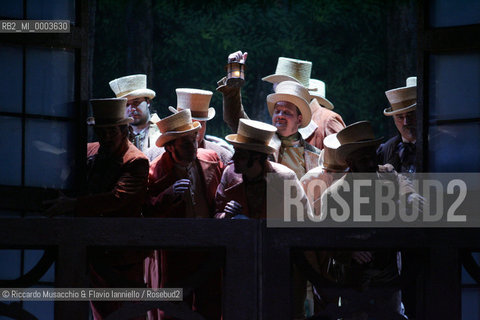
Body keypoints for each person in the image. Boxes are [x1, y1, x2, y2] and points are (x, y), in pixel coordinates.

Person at [45, 98, 150, 320]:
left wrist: (73, 204)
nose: (108, 137)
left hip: (123, 253)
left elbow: (117, 197)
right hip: (94, 250)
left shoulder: (136, 161)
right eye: (103, 132)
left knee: (130, 311)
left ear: (124, 130)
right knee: (102, 311)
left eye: (113, 131)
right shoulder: (91, 151)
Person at [320, 121, 418, 320]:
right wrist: (349, 251)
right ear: (351, 163)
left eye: (372, 156)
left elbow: (404, 185)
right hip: (355, 281)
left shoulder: (387, 175)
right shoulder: (334, 195)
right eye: (364, 160)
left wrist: (411, 196)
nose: (372, 163)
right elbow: (326, 238)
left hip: (388, 275)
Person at [145, 109, 223, 320]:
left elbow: (221, 196)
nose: (194, 147)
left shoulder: (210, 160)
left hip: (208, 247)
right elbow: (146, 210)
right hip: (175, 252)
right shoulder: (155, 172)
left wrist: (222, 214)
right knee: (173, 307)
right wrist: (167, 195)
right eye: (186, 143)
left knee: (210, 304)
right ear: (170, 147)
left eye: (194, 140)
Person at [217, 52, 321, 180]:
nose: (280, 115)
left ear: (299, 119)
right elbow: (234, 118)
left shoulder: (316, 155)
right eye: (277, 111)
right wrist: (233, 80)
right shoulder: (263, 141)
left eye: (287, 112)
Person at [215, 118, 310, 219]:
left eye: (241, 155)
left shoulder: (285, 178)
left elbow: (303, 220)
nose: (234, 158)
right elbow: (215, 215)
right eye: (235, 152)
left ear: (257, 157)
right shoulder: (229, 174)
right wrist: (226, 216)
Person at [261, 56, 346, 149]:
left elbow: (342, 157)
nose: (278, 89)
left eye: (283, 84)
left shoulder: (328, 120)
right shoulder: (281, 119)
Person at [168, 88, 233, 165]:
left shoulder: (222, 157)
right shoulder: (156, 156)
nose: (196, 131)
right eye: (190, 124)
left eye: (200, 124)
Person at [109, 74, 161, 157]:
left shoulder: (162, 132)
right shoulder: (116, 137)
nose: (131, 108)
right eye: (126, 105)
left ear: (148, 102)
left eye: (136, 102)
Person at [377, 77, 417, 173]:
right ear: (394, 119)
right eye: (400, 117)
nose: (406, 122)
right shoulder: (386, 150)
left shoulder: (440, 145)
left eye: (410, 116)